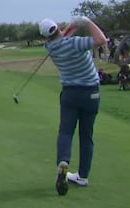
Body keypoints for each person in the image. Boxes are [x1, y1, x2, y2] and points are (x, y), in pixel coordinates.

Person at [39, 15, 107, 196]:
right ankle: (83, 176)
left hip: (69, 93)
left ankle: (63, 161)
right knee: (86, 136)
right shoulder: (75, 43)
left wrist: (74, 25)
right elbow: (101, 40)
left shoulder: (50, 47)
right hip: (91, 93)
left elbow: (62, 36)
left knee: (66, 132)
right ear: (58, 27)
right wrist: (86, 21)